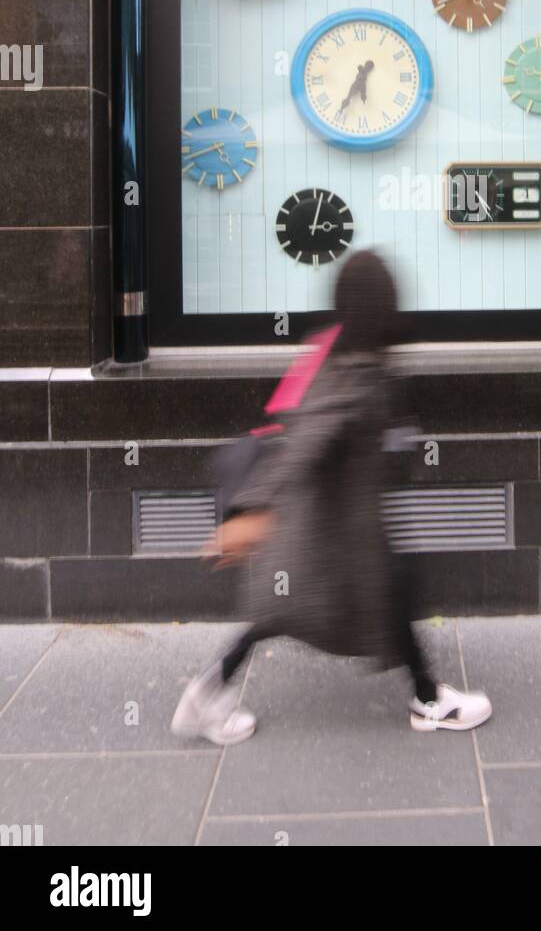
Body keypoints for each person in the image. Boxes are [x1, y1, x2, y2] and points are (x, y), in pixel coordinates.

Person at [171, 249, 492, 746]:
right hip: (331, 526)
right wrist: (250, 510)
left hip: (340, 521)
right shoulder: (354, 373)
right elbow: (301, 446)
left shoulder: (342, 351)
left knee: (370, 595)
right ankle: (428, 701)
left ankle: (426, 695)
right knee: (311, 606)